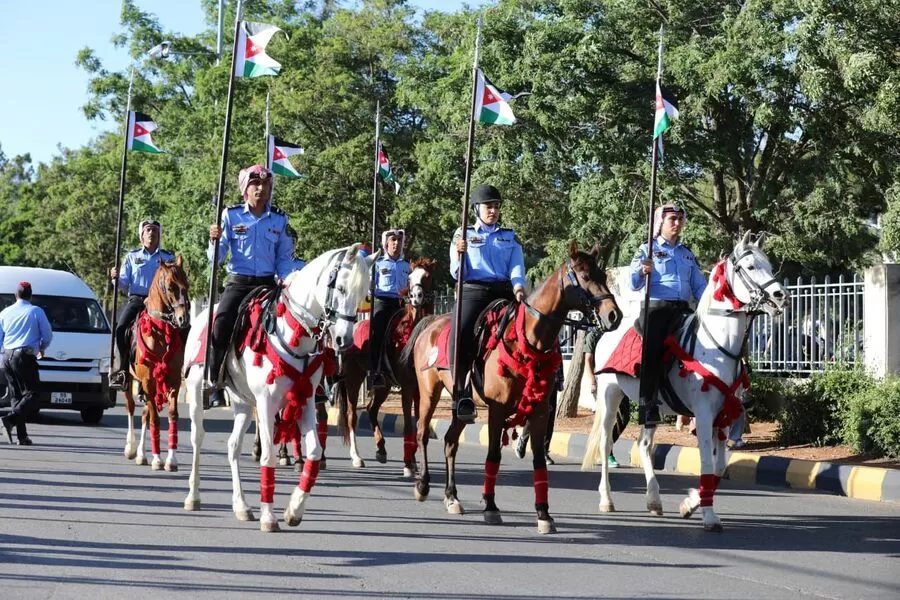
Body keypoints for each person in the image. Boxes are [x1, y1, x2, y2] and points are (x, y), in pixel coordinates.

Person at [205, 164, 294, 406]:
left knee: (296, 322)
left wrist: (289, 280)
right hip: (239, 284)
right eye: (256, 184)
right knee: (221, 323)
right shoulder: (230, 215)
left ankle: (296, 376)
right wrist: (214, 241)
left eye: (265, 185)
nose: (261, 189)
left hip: (268, 284)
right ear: (246, 188)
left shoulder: (279, 218)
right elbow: (217, 258)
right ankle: (215, 380)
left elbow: (284, 258)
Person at [449, 184, 526, 422]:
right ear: (476, 209)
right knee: (461, 334)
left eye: (496, 207)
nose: (493, 211)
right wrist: (460, 254)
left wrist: (519, 286)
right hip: (474, 292)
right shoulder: (463, 235)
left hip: (504, 292)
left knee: (533, 328)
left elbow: (516, 266)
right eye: (488, 206)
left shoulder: (509, 237)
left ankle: (550, 381)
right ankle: (460, 392)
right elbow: (456, 272)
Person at [630, 203, 706, 426]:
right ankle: (646, 404)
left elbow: (699, 286)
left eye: (680, 219)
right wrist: (642, 271)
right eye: (672, 218)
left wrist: (712, 303)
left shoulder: (687, 254)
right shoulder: (647, 249)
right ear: (660, 222)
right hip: (657, 310)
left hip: (683, 310)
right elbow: (632, 283)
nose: (677, 223)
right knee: (652, 350)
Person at [108, 219, 175, 389]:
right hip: (137, 300)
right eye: (148, 230)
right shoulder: (132, 256)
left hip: (161, 304)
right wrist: (115, 279)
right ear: (141, 236)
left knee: (181, 329)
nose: (151, 233)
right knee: (121, 329)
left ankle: (177, 369)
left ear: (160, 235)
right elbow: (123, 283)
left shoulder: (167, 257)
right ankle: (122, 370)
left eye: (155, 230)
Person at [0, 282, 53, 445]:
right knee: (33, 394)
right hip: (24, 356)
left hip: (7, 356)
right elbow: (48, 334)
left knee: (17, 396)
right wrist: (42, 348)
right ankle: (10, 420)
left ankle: (22, 436)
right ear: (30, 296)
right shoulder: (36, 311)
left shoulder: (5, 312)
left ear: (16, 295)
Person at [368, 229, 411, 389]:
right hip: (383, 303)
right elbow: (369, 287)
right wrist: (370, 287)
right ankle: (375, 372)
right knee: (377, 334)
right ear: (386, 243)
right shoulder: (377, 264)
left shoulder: (407, 266)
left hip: (402, 304)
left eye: (399, 240)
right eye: (393, 240)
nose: (396, 243)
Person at [583, 326, 625, 467]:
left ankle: (604, 445)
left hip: (619, 380)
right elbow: (587, 360)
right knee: (607, 416)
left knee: (624, 417)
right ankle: (607, 452)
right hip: (602, 381)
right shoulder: (593, 335)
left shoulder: (616, 332)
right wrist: (592, 381)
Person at [515, 364, 562, 465]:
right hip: (535, 379)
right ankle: (524, 437)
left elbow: (557, 356)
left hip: (552, 380)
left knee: (549, 416)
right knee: (534, 413)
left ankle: (544, 451)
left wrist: (560, 379)